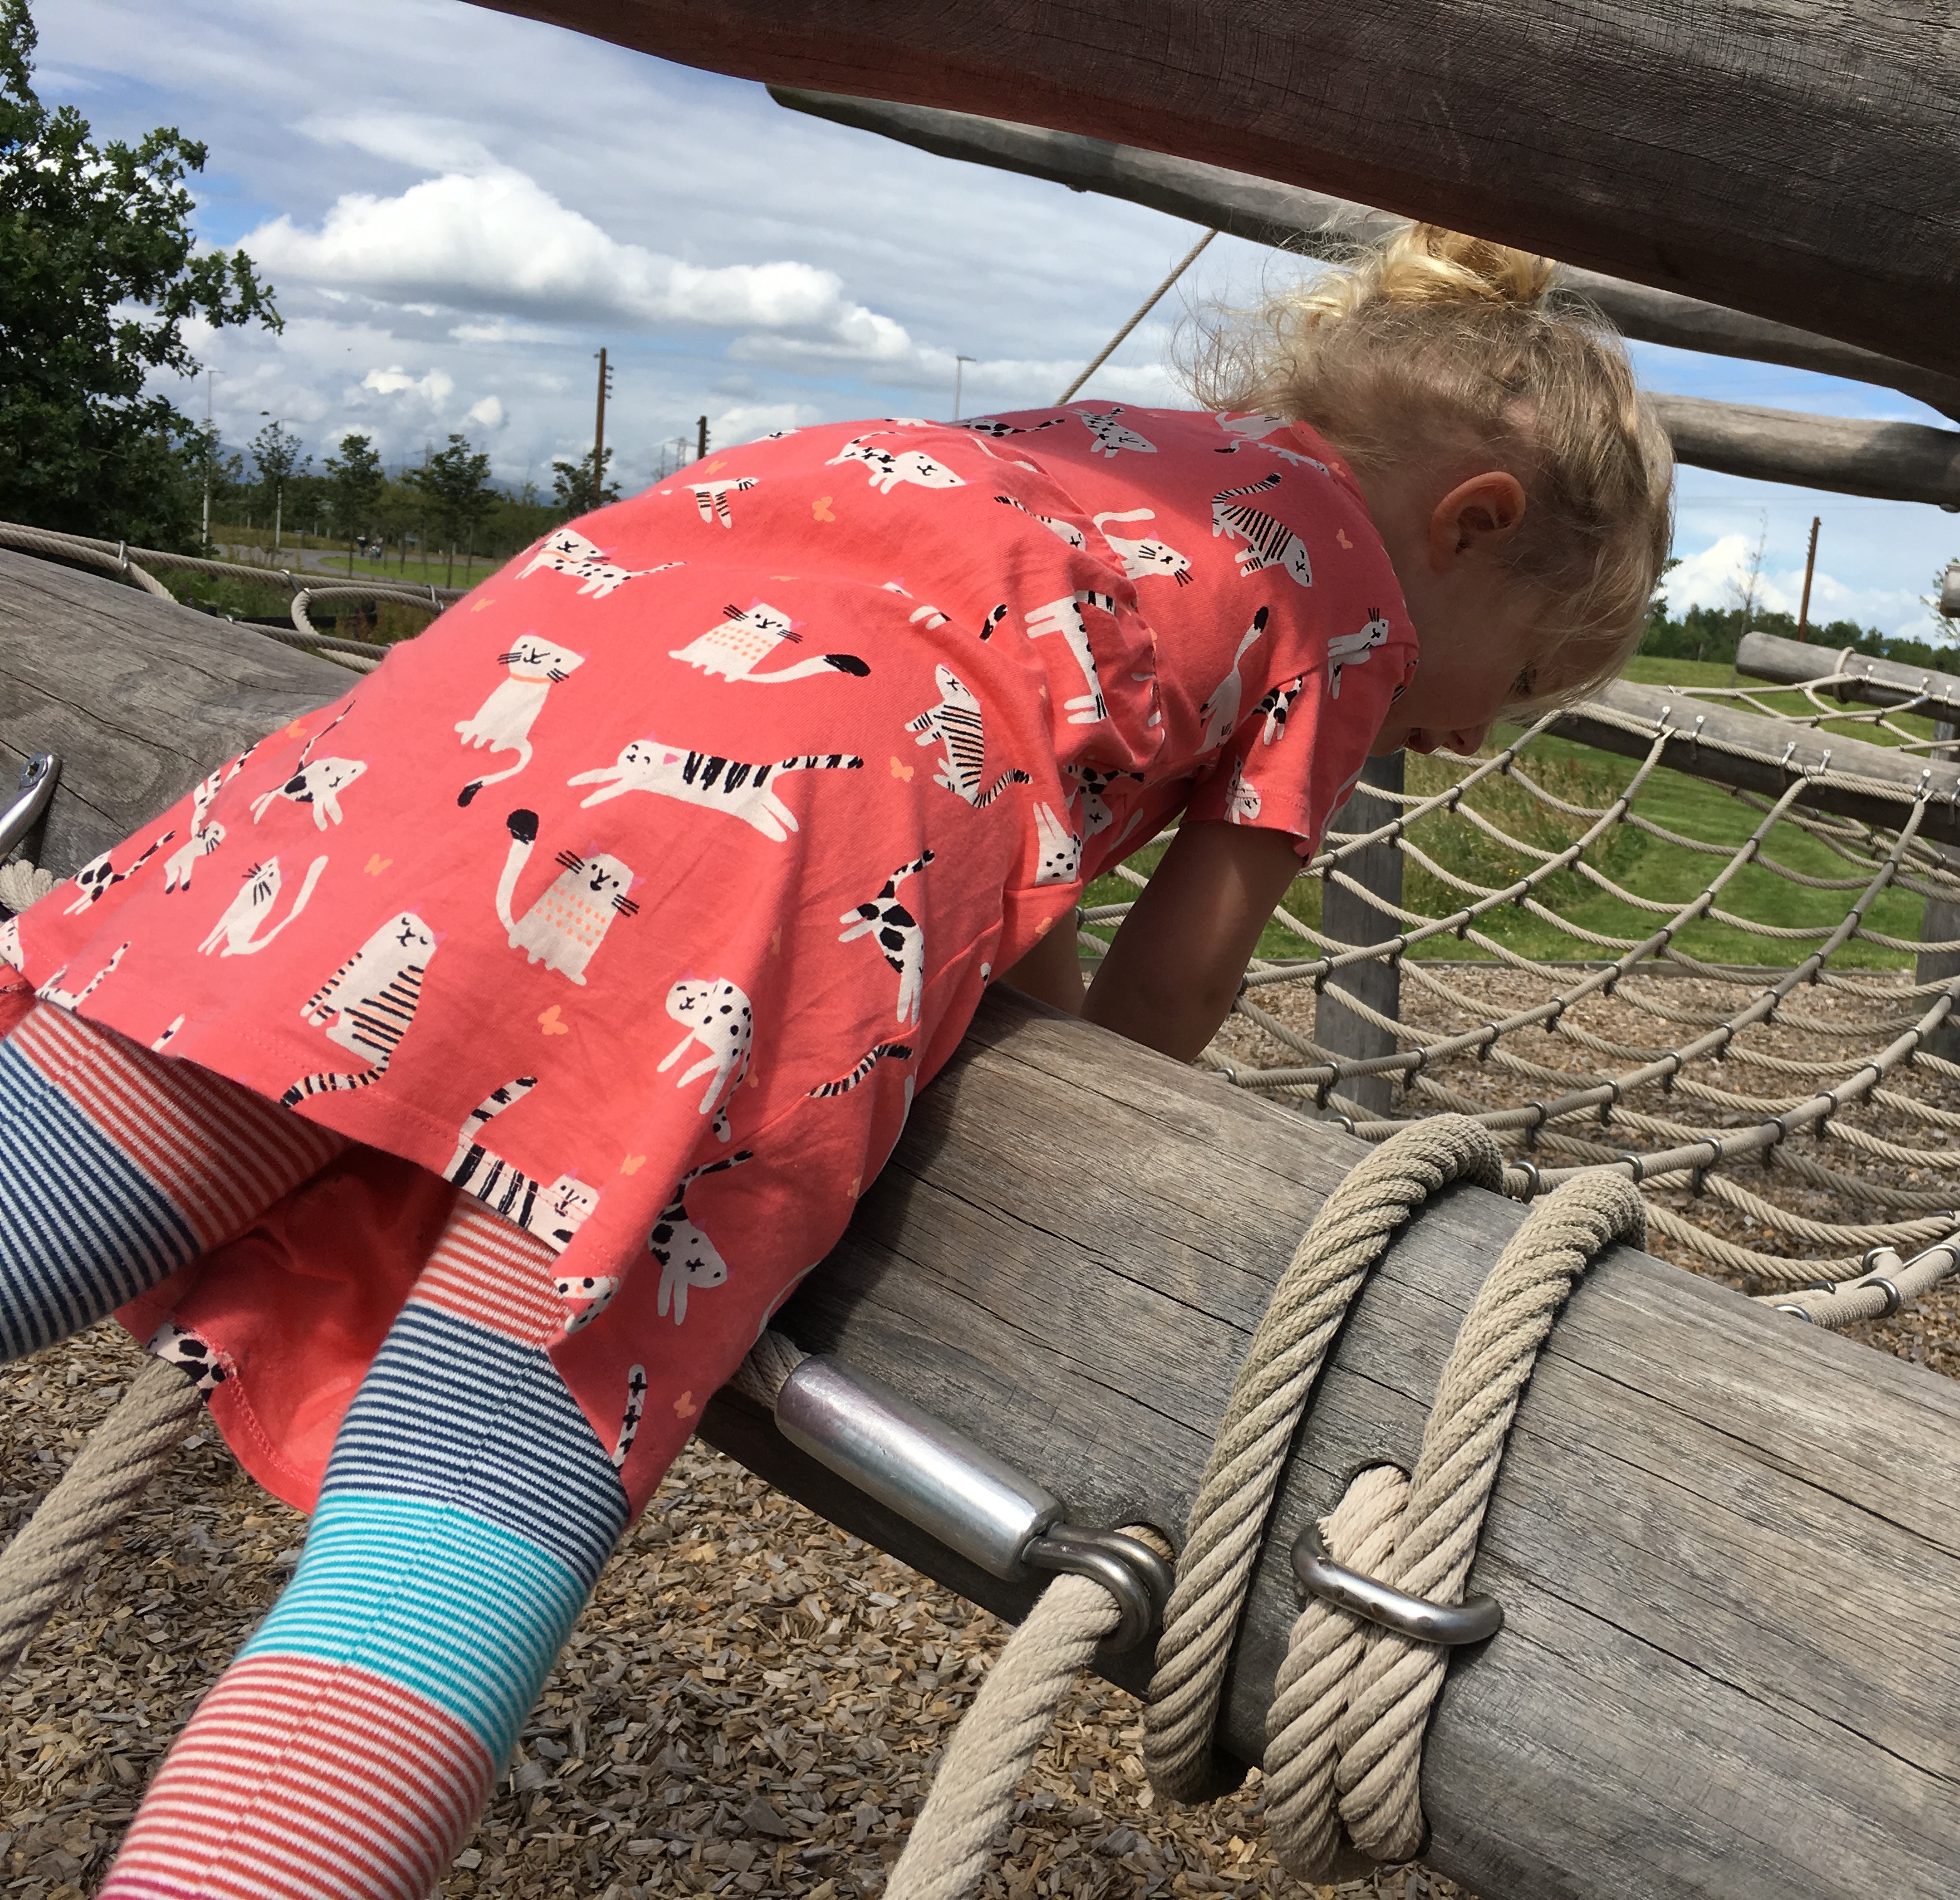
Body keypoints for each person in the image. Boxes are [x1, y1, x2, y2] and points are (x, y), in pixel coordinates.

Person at [0, 224, 1672, 1899]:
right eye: (1522, 678)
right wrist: (1082, 1092)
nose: (1474, 733)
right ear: (1473, 523)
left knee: (75, 1166)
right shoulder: (1357, 611)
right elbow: (1184, 977)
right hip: (746, 871)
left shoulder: (1088, 449)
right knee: (483, 1464)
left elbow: (1030, 737)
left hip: (476, 720)